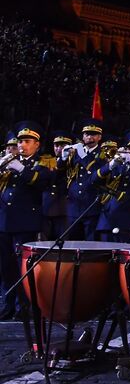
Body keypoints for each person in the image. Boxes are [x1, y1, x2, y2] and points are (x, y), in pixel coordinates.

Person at [0, 123, 55, 320]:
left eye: (26, 141)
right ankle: (8, 305)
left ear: (36, 145)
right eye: (20, 141)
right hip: (4, 221)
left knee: (23, 267)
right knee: (5, 267)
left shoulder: (42, 164)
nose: (22, 145)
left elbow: (41, 182)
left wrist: (20, 168)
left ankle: (23, 306)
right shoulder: (10, 161)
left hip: (25, 222)